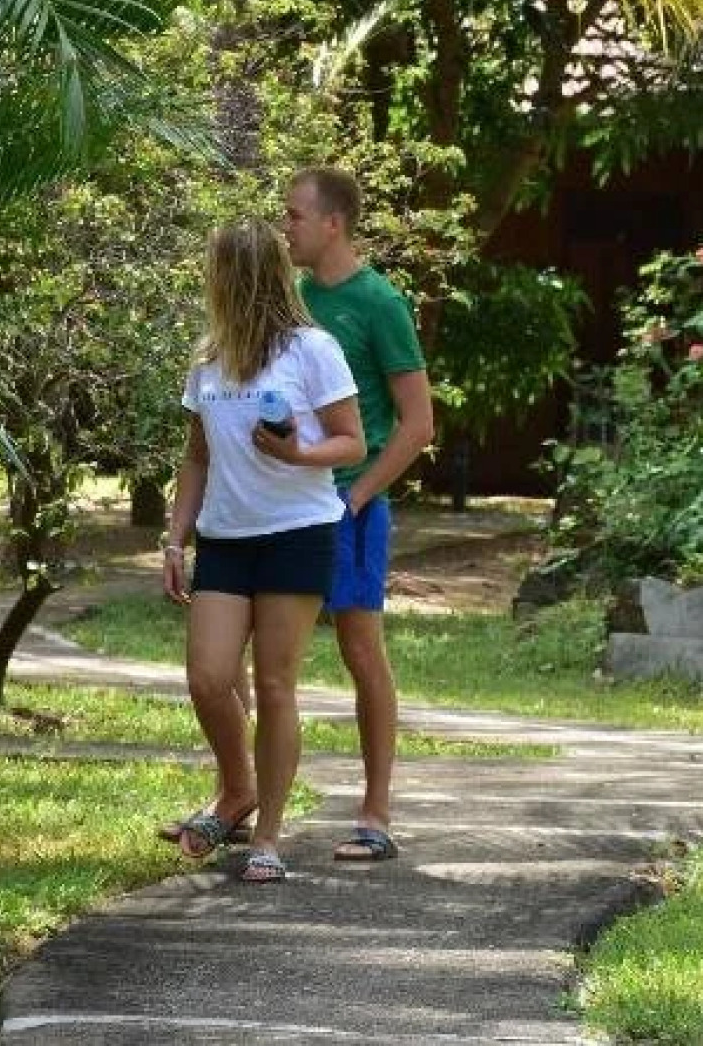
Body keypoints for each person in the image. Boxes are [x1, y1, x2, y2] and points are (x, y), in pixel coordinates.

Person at [159, 219, 365, 883]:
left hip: (296, 534)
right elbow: (195, 457)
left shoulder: (312, 350)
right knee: (208, 677)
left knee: (276, 686)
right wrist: (175, 537)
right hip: (226, 537)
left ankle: (267, 835)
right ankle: (237, 788)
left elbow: (351, 443)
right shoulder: (209, 359)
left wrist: (298, 452)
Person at [281, 167, 434, 862]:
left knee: (360, 653)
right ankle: (250, 804)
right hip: (286, 505)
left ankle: (376, 812)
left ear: (332, 223)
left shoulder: (379, 303)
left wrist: (360, 494)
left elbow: (417, 424)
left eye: (295, 217)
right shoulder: (292, 300)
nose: (286, 227)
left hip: (348, 508)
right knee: (270, 657)